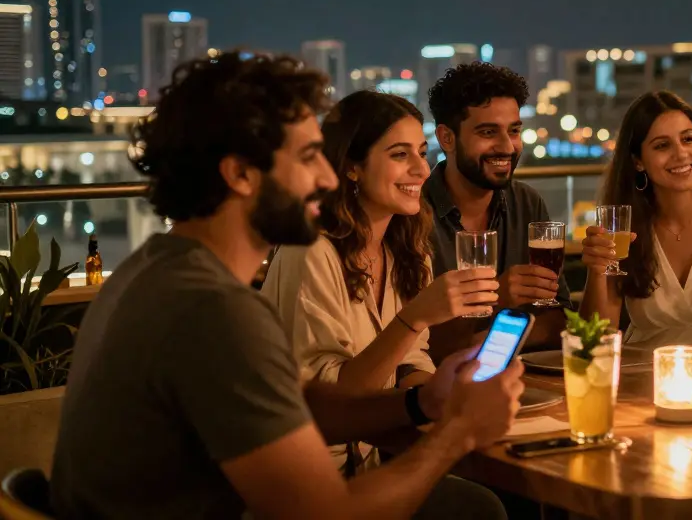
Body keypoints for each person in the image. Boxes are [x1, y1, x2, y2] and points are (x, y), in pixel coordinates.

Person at [52, 54, 524, 520]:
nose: (325, 176)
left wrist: (424, 400)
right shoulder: (213, 310)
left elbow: (303, 402)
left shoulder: (157, 268)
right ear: (239, 173)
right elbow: (325, 513)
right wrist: (456, 434)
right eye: (306, 157)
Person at [261, 90, 501, 475]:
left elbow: (409, 362)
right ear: (352, 166)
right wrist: (416, 318)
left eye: (422, 153)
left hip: (375, 459)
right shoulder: (309, 253)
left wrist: (442, 392)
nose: (422, 170)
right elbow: (334, 404)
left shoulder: (407, 251)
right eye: (399, 154)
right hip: (310, 476)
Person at [578, 91, 692, 346]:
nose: (681, 154)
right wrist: (597, 271)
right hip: (641, 375)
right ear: (638, 162)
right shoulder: (622, 227)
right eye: (662, 145)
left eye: (688, 139)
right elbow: (595, 339)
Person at [424, 62, 571, 361]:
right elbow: (416, 345)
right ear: (447, 138)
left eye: (514, 130)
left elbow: (559, 322)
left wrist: (478, 336)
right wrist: (498, 300)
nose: (507, 146)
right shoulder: (413, 214)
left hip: (524, 381)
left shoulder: (527, 203)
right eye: (488, 132)